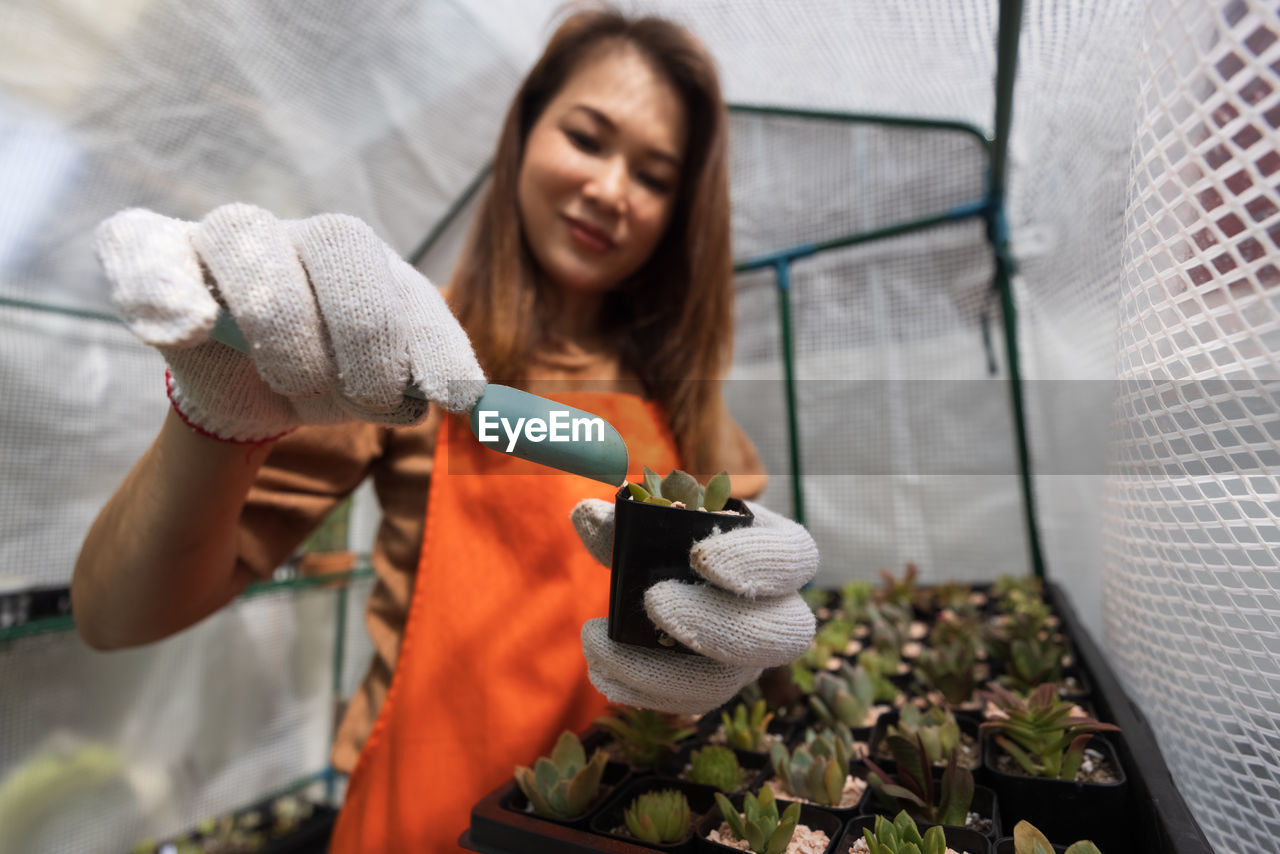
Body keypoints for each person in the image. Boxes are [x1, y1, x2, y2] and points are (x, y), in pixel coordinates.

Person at [73, 7, 819, 852]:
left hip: (619, 825)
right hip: (418, 822)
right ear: (523, 135)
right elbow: (116, 616)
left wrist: (755, 636)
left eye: (653, 176)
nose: (611, 189)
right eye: (587, 137)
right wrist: (216, 412)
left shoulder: (690, 411)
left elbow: (766, 675)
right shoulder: (395, 359)